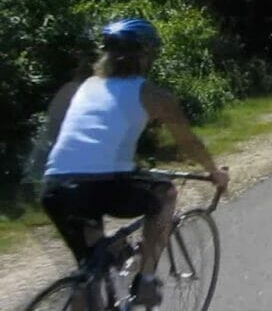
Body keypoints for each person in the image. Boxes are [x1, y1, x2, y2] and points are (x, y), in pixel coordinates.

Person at [40, 18, 229, 308]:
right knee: (164, 193)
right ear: (145, 56)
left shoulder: (87, 87)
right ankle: (147, 281)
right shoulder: (152, 95)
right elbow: (189, 142)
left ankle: (89, 290)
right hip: (100, 185)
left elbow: (92, 139)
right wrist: (214, 172)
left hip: (56, 187)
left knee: (92, 268)